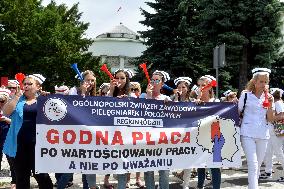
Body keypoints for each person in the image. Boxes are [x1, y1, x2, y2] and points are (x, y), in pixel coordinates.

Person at [3, 74, 53, 189]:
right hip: (18, 145)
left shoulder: (44, 100)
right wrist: (16, 97)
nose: (26, 86)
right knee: (21, 178)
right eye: (24, 84)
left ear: (38, 87)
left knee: (42, 176)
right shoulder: (17, 98)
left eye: (30, 84)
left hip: (38, 145)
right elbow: (5, 112)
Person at [57, 70, 97, 189]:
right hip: (75, 136)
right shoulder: (74, 91)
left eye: (92, 81)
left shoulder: (94, 95)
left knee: (86, 168)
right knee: (72, 168)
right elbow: (75, 109)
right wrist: (83, 93)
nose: (90, 82)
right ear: (82, 81)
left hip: (89, 136)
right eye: (87, 80)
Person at [238, 68, 274, 189]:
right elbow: (238, 112)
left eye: (266, 82)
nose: (264, 84)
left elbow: (270, 118)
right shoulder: (246, 95)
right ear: (254, 81)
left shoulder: (269, 97)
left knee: (258, 166)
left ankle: (252, 186)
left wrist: (270, 104)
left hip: (263, 134)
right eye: (261, 81)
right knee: (253, 165)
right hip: (247, 133)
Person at [144, 70, 171, 189]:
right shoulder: (142, 97)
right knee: (148, 171)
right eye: (152, 80)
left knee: (164, 171)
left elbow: (173, 118)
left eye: (157, 80)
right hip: (146, 139)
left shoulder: (166, 98)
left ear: (162, 84)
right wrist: (148, 97)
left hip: (162, 140)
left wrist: (168, 106)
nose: (154, 82)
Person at [196, 75, 221, 189]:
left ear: (210, 87)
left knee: (214, 167)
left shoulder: (216, 101)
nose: (201, 87)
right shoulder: (195, 102)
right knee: (200, 166)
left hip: (214, 138)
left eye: (204, 85)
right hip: (200, 138)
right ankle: (200, 186)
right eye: (199, 85)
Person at [261, 88, 284, 181]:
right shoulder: (275, 102)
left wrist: (269, 118)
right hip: (271, 131)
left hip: (276, 132)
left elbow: (282, 115)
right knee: (268, 152)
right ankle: (268, 171)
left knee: (279, 153)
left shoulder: (278, 103)